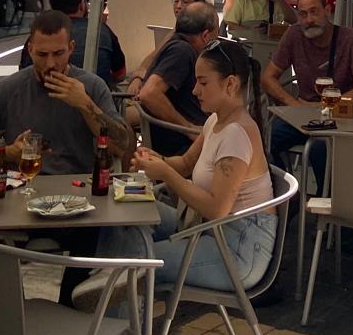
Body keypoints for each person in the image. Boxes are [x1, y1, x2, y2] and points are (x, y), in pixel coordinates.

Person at [0, 10, 130, 305]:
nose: (51, 64)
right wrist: (6, 152)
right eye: (42, 54)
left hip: (79, 205)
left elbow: (121, 145)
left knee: (111, 236)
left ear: (71, 49)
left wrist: (85, 105)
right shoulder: (10, 89)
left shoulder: (92, 86)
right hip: (22, 201)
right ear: (30, 50)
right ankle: (1, 312)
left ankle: (73, 308)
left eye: (58, 54)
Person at [108, 40, 276, 292]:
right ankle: (110, 282)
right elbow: (186, 163)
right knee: (127, 213)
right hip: (213, 231)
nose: (195, 90)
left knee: (137, 264)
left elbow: (217, 209)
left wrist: (164, 173)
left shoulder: (236, 134)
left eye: (203, 82)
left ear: (230, 84)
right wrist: (158, 161)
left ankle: (114, 300)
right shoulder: (216, 121)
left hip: (238, 250)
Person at [261, 0, 353, 186]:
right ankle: (285, 195)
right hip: (303, 116)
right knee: (264, 142)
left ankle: (326, 203)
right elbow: (267, 78)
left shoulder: (350, 38)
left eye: (314, 12)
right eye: (303, 14)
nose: (308, 19)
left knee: (320, 148)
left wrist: (329, 106)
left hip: (341, 119)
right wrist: (294, 105)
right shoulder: (294, 34)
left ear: (327, 11)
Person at [136, 3, 219, 154]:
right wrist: (189, 129)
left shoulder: (177, 45)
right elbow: (149, 94)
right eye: (216, 36)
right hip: (183, 145)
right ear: (206, 36)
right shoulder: (181, 51)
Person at [18, 0, 127, 85]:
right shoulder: (102, 31)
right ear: (82, 4)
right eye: (42, 54)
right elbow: (120, 74)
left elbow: (23, 76)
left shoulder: (37, 38)